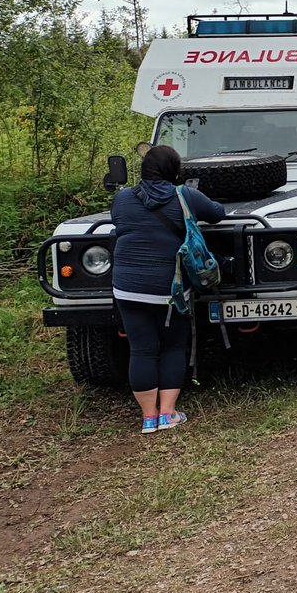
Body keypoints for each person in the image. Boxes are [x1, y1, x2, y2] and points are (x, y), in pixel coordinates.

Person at [110, 145, 225, 433]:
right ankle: (168, 413)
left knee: (141, 349)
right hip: (168, 288)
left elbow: (120, 223)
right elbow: (217, 214)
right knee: (173, 346)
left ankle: (148, 418)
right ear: (175, 170)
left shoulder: (122, 198)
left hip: (127, 287)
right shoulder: (186, 195)